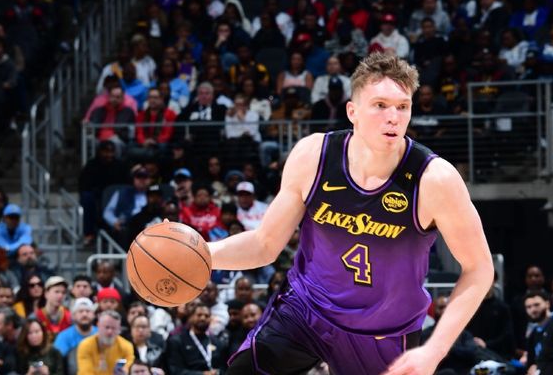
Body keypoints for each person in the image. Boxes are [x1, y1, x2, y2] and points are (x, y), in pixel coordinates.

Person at [211, 53, 494, 373]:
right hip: (306, 310)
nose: (393, 117)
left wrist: (434, 350)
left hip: (385, 332)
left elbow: (480, 269)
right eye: (380, 105)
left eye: (403, 106)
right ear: (352, 112)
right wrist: (199, 254)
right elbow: (264, 244)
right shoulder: (313, 156)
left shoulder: (434, 179)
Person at [421, 295, 482, 375]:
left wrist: (448, 348)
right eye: (441, 307)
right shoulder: (426, 334)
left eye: (448, 307)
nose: (445, 310)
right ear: (434, 310)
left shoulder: (464, 334)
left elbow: (472, 353)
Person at [165, 304, 226, 373]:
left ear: (210, 319)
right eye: (199, 315)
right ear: (191, 317)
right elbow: (175, 370)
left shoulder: (217, 342)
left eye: (207, 316)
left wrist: (218, 372)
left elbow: (224, 367)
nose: (203, 318)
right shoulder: (177, 341)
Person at [76, 311, 134, 375]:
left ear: (119, 329)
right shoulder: (85, 345)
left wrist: (124, 371)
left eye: (113, 328)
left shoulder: (126, 346)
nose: (110, 332)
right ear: (98, 325)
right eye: (107, 327)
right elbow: (86, 373)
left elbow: (129, 368)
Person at [54, 297, 97, 372]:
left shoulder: (101, 334)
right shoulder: (64, 336)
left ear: (93, 315)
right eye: (80, 311)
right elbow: (56, 360)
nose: (84, 314)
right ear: (73, 316)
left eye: (88, 311)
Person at [523, 290, 552, 374]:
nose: (533, 310)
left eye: (537, 305)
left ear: (547, 304)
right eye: (528, 307)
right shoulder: (533, 332)